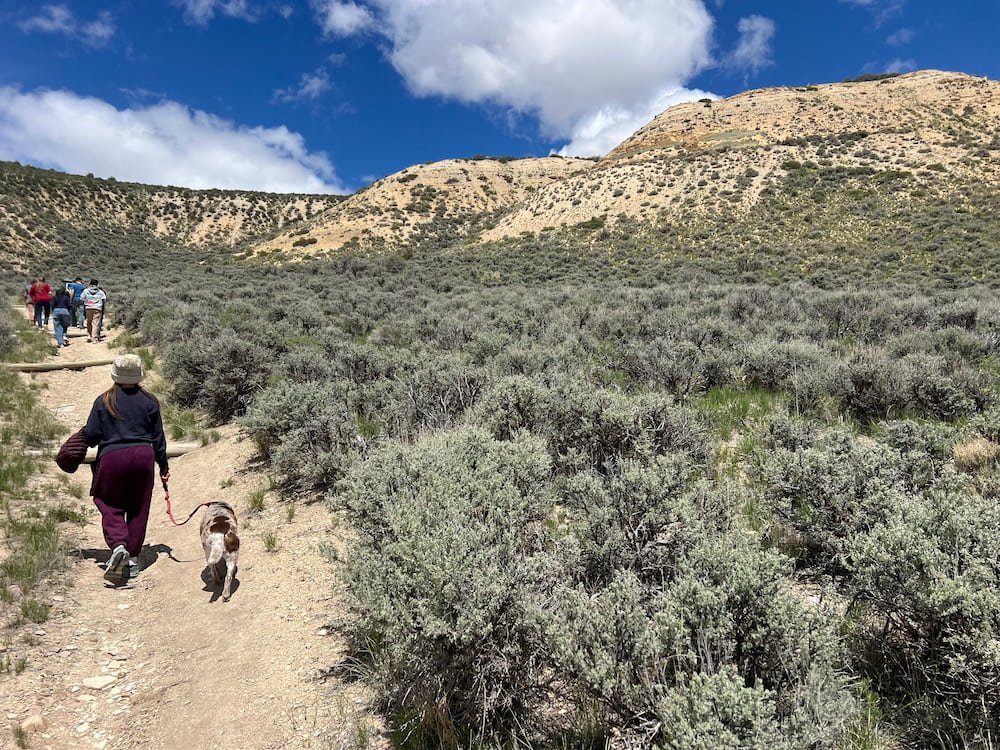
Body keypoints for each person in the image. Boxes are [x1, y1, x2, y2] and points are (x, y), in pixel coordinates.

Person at [84, 354, 169, 583]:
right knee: (139, 507)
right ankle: (131, 559)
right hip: (143, 456)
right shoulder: (150, 401)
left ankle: (118, 543)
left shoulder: (104, 400)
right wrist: (163, 465)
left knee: (109, 503)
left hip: (112, 458)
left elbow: (91, 435)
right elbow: (159, 438)